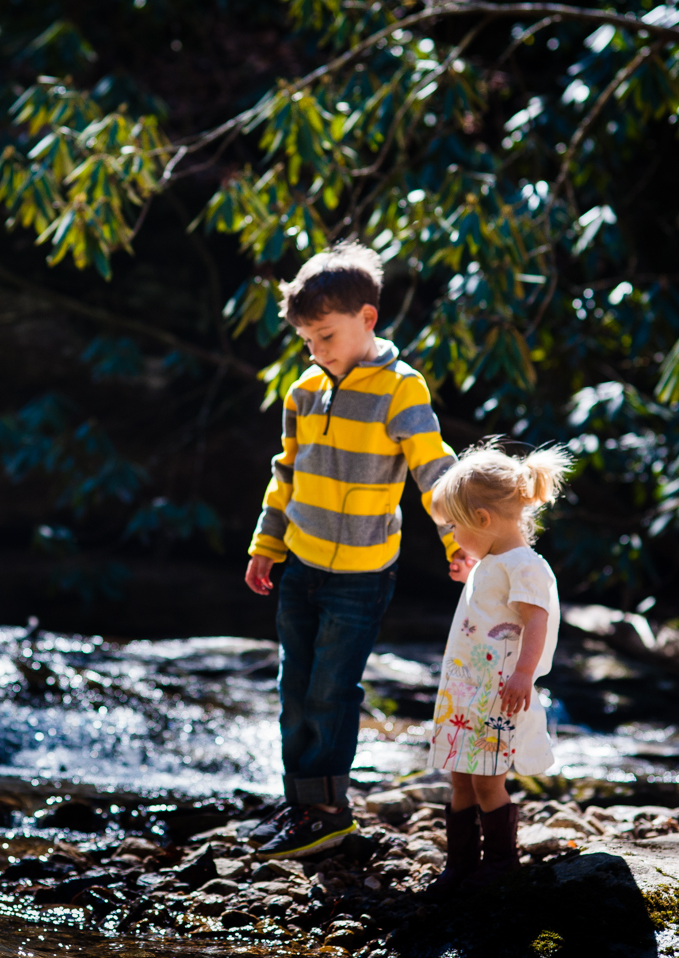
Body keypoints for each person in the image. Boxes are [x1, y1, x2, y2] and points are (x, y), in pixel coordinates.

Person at [242, 240, 465, 860]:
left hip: (362, 575)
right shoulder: (303, 391)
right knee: (295, 687)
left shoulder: (401, 389)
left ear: (367, 319)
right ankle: (302, 804)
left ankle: (330, 811)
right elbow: (285, 473)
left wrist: (457, 539)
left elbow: (433, 469)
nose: (316, 351)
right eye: (307, 341)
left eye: (326, 336)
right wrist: (267, 545)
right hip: (301, 564)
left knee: (331, 690)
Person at [422, 443, 572, 892]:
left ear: (483, 519)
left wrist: (524, 673)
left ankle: (501, 864)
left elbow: (535, 620)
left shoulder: (525, 565)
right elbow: (492, 607)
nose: (453, 535)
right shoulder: (494, 561)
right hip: (465, 691)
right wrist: (471, 570)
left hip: (495, 693)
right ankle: (461, 864)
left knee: (487, 779)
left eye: (455, 527)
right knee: (460, 776)